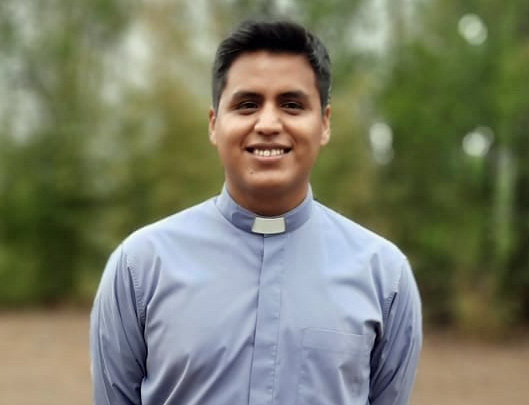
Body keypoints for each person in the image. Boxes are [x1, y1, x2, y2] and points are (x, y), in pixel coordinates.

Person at [90, 19, 422, 405]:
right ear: (215, 124)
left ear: (325, 124)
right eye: (247, 105)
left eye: (292, 105)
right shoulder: (141, 267)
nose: (267, 124)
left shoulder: (384, 276)